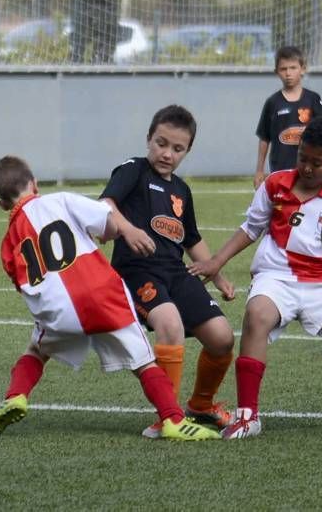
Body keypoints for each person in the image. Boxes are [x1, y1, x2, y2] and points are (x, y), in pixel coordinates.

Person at [189, 116, 322, 439]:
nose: (306, 167)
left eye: (317, 163)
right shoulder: (275, 184)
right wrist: (215, 261)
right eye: (302, 157)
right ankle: (248, 415)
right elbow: (250, 228)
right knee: (256, 315)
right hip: (276, 276)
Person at [0, 155, 220, 441]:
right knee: (144, 363)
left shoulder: (9, 241)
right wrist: (121, 231)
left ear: (2, 204)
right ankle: (172, 419)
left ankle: (15, 396)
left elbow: (23, 282)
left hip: (58, 309)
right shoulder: (62, 200)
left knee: (35, 351)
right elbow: (107, 221)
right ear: (35, 183)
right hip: (103, 297)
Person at [100, 105, 236, 439]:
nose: (167, 153)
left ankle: (201, 405)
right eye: (161, 144)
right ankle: (169, 417)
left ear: (187, 151)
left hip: (177, 272)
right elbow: (105, 205)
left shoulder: (181, 190)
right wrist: (128, 231)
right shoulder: (133, 169)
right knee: (170, 324)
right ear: (149, 139)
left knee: (222, 337)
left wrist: (216, 272)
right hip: (136, 272)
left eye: (177, 149)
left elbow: (191, 239)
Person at [254, 45, 322, 190]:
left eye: (293, 68)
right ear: (276, 72)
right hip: (280, 170)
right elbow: (264, 138)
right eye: (283, 69)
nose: (288, 73)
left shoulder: (313, 99)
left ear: (303, 69)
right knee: (282, 210)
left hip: (309, 169)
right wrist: (259, 170)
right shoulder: (272, 102)